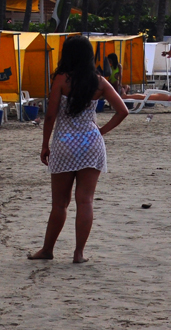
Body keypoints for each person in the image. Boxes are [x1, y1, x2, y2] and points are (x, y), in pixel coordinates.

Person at [30, 35, 128, 263]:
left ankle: (47, 249)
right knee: (85, 201)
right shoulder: (99, 82)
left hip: (64, 142)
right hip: (90, 143)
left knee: (59, 203)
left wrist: (45, 144)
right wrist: (101, 131)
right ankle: (78, 253)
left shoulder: (62, 79)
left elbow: (51, 115)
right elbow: (123, 110)